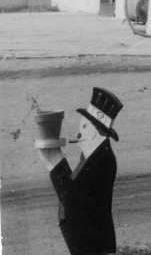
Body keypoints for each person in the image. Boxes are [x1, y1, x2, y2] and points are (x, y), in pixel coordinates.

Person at [37, 87, 122, 255]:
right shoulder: (94, 156)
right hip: (89, 242)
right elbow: (75, 192)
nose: (78, 133)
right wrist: (54, 160)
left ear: (96, 132)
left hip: (94, 245)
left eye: (84, 127)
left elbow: (73, 197)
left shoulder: (102, 161)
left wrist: (54, 161)